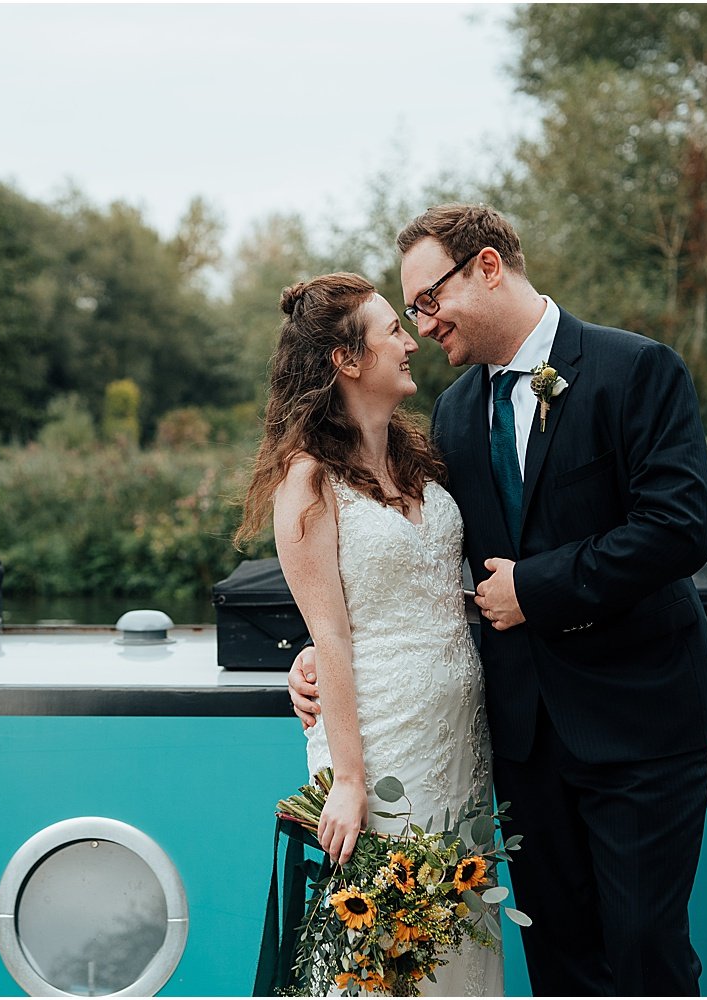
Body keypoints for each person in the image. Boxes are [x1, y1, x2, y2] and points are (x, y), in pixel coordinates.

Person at [289, 204, 707, 996]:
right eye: (409, 313)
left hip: (639, 726)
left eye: (427, 299)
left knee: (645, 954)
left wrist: (537, 586)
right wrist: (324, 646)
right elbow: (419, 563)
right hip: (520, 741)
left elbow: (679, 530)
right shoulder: (453, 414)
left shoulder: (637, 369)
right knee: (558, 960)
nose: (422, 325)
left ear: (488, 266)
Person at [237, 272, 504, 996]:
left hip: (458, 746)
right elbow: (332, 632)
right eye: (392, 329)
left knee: (458, 943)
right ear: (347, 361)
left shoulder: (420, 459)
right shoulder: (309, 481)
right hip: (382, 743)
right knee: (383, 954)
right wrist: (350, 781)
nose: (410, 341)